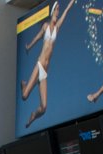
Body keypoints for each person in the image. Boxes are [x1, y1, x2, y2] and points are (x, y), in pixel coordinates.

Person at [20, 0, 76, 128]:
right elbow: (37, 37)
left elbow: (67, 10)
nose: (58, 12)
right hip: (39, 64)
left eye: (59, 10)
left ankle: (33, 116)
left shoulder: (57, 27)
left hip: (45, 71)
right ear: (52, 11)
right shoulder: (45, 26)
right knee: (24, 96)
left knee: (44, 108)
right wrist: (29, 47)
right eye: (57, 9)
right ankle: (24, 85)